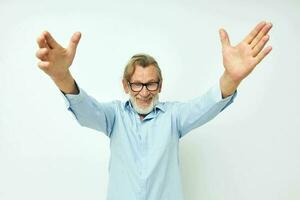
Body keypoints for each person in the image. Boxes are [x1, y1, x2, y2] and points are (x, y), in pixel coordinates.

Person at [35, 21, 272, 200]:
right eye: (137, 84)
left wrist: (231, 78)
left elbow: (206, 105)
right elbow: (86, 110)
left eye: (151, 84)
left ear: (160, 85)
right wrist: (61, 76)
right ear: (126, 85)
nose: (145, 92)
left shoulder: (174, 117)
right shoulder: (114, 116)